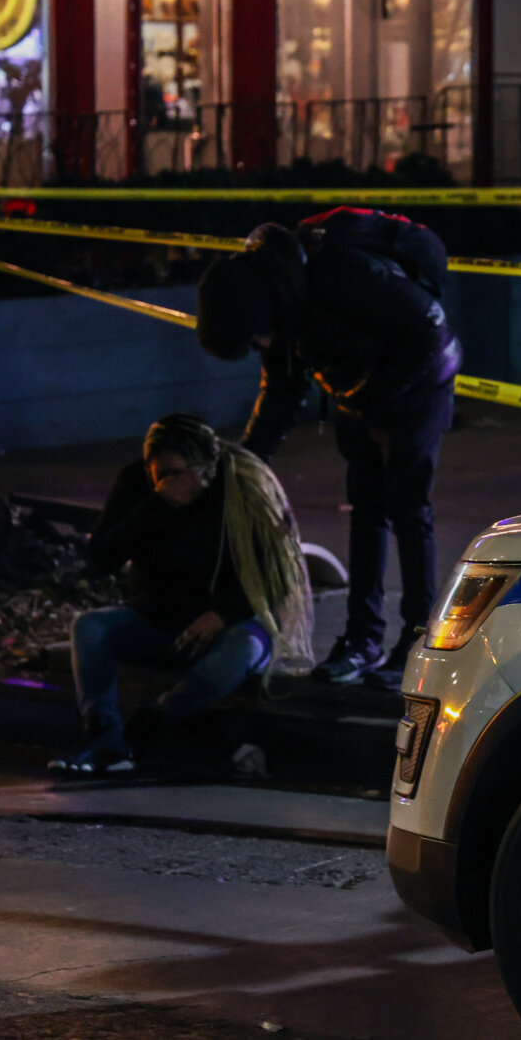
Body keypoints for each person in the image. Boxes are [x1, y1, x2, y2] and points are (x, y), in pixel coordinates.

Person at [196, 207, 461, 687]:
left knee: (408, 510)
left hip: (416, 385)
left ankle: (418, 642)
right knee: (366, 510)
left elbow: (431, 331)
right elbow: (281, 390)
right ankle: (362, 639)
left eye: (255, 337)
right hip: (359, 392)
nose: (261, 343)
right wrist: (246, 459)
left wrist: (380, 404)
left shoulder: (343, 274)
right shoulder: (279, 300)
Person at [49, 414, 312, 775]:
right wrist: (155, 505)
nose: (180, 483)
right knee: (90, 628)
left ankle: (153, 722)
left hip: (233, 623)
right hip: (158, 620)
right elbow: (101, 559)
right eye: (165, 473)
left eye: (185, 472)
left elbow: (276, 573)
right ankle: (103, 734)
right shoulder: (137, 485)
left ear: (206, 465)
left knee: (239, 650)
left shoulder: (240, 484)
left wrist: (221, 613)